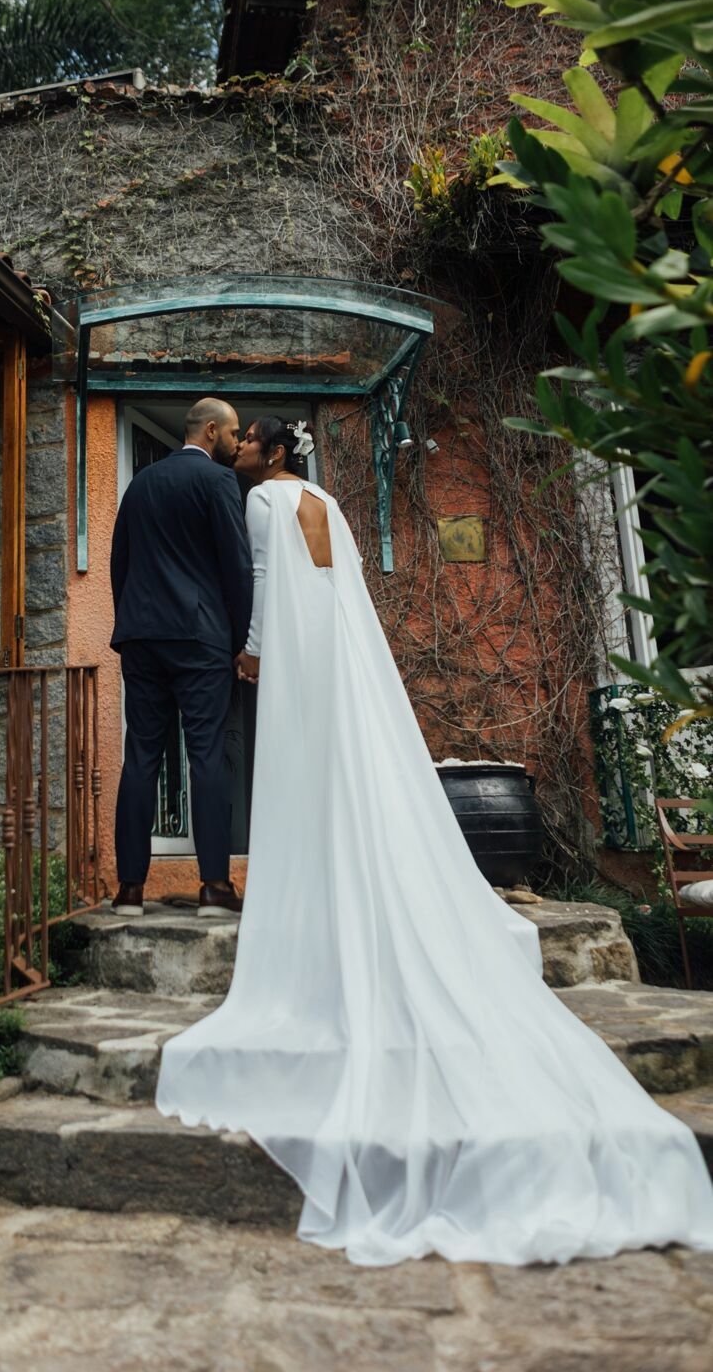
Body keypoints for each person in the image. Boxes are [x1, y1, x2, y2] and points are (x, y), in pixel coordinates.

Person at [156, 414, 713, 1267]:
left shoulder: (264, 500)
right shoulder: (324, 499)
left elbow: (267, 580)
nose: (236, 452)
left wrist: (255, 651)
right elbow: (333, 585)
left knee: (303, 778)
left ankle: (314, 895)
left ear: (268, 451)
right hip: (339, 660)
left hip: (297, 661)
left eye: (245, 442)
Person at [109, 397, 253, 919]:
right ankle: (214, 886)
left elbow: (118, 561)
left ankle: (129, 890)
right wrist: (238, 640)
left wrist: (132, 624)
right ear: (211, 431)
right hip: (200, 639)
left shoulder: (140, 484)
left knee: (142, 757)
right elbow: (236, 567)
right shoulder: (218, 482)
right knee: (207, 755)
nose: (238, 443)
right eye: (234, 433)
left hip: (143, 637)